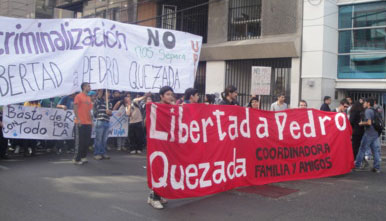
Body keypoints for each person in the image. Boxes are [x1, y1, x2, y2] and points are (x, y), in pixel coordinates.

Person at [147, 86, 173, 209]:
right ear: (161, 96)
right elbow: (148, 122)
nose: (170, 96)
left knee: (166, 169)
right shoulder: (155, 107)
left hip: (168, 143)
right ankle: (155, 198)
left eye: (171, 94)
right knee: (158, 168)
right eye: (167, 94)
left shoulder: (172, 108)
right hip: (157, 143)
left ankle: (156, 194)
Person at [354, 98, 381, 173]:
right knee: (375, 151)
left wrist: (361, 123)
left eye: (365, 102)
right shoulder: (374, 110)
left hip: (369, 133)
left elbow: (369, 123)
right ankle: (377, 167)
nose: (364, 104)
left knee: (362, 149)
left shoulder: (368, 111)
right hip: (375, 133)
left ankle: (357, 165)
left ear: (368, 103)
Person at [73, 82, 93, 165]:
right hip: (80, 122)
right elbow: (75, 108)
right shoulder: (78, 96)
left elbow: (89, 111)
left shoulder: (89, 98)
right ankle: (76, 159)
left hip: (88, 123)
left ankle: (83, 157)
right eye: (89, 86)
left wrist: (91, 121)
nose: (90, 88)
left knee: (86, 141)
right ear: (84, 87)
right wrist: (78, 119)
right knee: (80, 142)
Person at [93, 90, 113, 160]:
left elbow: (111, 113)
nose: (109, 94)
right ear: (104, 94)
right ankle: (97, 153)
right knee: (98, 139)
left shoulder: (109, 103)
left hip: (107, 122)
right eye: (108, 92)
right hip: (100, 121)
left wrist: (109, 112)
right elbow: (99, 95)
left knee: (104, 139)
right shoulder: (99, 101)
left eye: (109, 92)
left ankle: (103, 152)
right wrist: (101, 91)